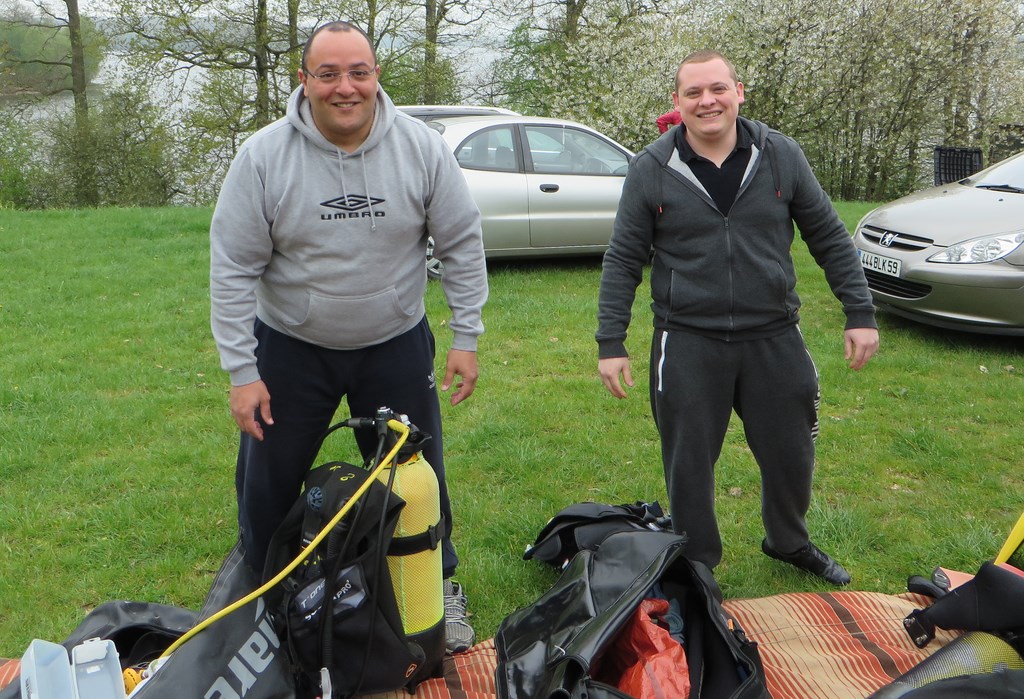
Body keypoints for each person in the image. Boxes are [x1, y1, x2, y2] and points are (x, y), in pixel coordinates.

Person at [209, 21, 487, 652]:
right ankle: (263, 590)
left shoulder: (420, 149)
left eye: (357, 71)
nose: (345, 87)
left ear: (376, 76)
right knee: (270, 479)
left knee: (414, 473)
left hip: (393, 342)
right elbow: (232, 268)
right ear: (303, 80)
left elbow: (463, 246)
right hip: (289, 348)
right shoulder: (263, 157)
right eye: (328, 73)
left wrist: (465, 335)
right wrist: (241, 372)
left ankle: (435, 585)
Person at [596, 50, 879, 586]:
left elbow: (828, 236)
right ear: (677, 104)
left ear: (739, 91)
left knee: (791, 452)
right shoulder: (652, 168)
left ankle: (788, 540)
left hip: (773, 334)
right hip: (687, 339)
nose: (708, 101)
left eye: (718, 89)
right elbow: (623, 258)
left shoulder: (780, 155)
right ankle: (699, 560)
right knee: (689, 464)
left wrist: (859, 311)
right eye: (694, 93)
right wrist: (611, 341)